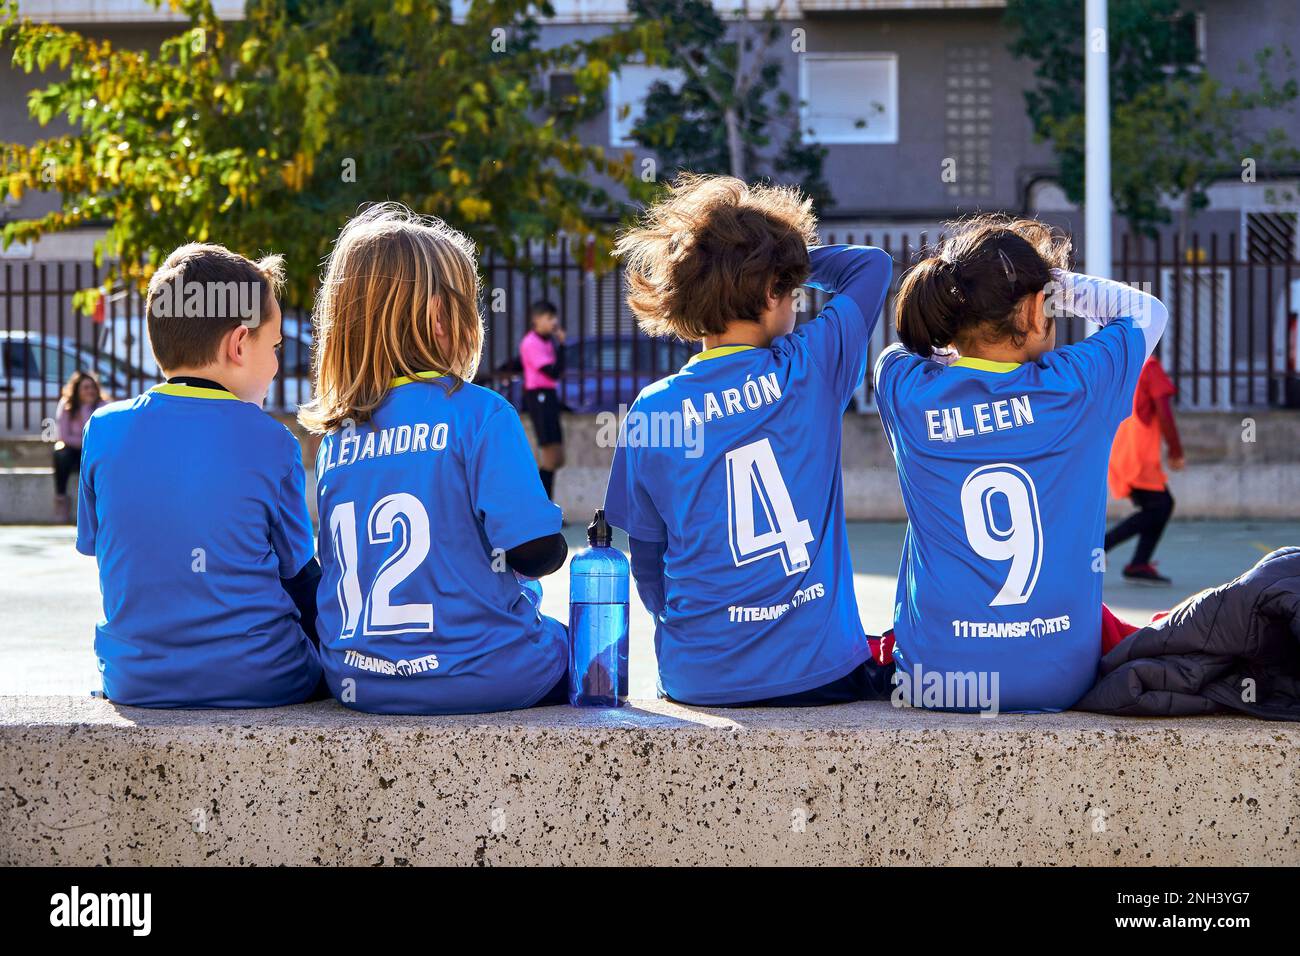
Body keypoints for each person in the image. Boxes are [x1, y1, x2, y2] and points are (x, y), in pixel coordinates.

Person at [603, 173, 895, 706]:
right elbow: (870, 267)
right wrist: (783, 258)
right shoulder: (809, 367)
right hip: (819, 675)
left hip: (700, 680)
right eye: (790, 289)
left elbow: (647, 559)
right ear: (771, 289)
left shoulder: (653, 408)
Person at [873, 215, 1169, 713]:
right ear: (1037, 310)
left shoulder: (905, 388)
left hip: (934, 679)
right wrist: (1055, 283)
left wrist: (986, 305)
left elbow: (905, 352)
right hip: (1060, 679)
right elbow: (1145, 311)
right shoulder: (1076, 386)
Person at [300, 203, 569, 715]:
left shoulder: (337, 438)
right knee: (584, 647)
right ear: (442, 318)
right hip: (480, 673)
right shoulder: (479, 414)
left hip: (357, 677)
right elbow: (537, 553)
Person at [75, 243, 323, 707]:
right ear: (237, 344)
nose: (276, 364)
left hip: (136, 681)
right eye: (273, 347)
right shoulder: (273, 442)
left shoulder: (103, 431)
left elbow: (110, 555)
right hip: (266, 678)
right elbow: (300, 577)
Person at [1104, 355, 1183, 585]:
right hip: (1138, 456)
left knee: (1160, 505)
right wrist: (1176, 451)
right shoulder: (1149, 367)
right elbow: (1164, 412)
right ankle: (1100, 546)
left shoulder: (1122, 366)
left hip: (1120, 449)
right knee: (1158, 507)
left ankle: (1139, 563)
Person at [519, 300, 566, 499]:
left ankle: (547, 503)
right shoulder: (531, 342)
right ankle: (540, 503)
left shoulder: (547, 341)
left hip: (549, 397)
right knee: (549, 455)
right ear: (537, 319)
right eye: (549, 317)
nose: (554, 322)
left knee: (557, 457)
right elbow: (553, 373)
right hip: (538, 397)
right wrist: (563, 345)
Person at [52, 369, 106, 522]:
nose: (90, 391)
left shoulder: (103, 406)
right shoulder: (67, 405)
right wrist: (84, 441)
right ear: (77, 390)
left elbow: (104, 436)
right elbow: (63, 436)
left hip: (94, 452)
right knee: (60, 453)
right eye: (85, 387)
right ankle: (61, 499)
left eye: (92, 387)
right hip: (74, 453)